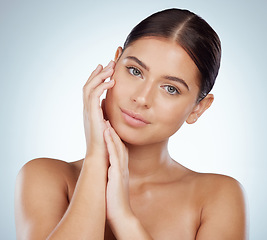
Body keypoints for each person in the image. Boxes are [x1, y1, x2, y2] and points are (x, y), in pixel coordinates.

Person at [15, 8, 247, 240]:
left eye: (170, 88)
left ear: (199, 108)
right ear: (115, 63)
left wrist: (123, 217)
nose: (142, 98)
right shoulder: (46, 177)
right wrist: (96, 160)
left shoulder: (218, 197)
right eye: (135, 71)